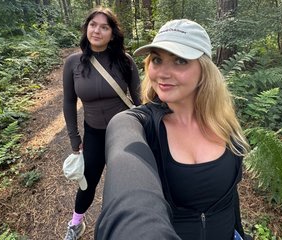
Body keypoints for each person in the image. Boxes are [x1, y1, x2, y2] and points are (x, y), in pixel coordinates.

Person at [94, 19, 251, 240]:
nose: (163, 73)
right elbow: (126, 169)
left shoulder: (225, 123)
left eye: (180, 61)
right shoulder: (137, 124)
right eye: (157, 60)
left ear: (204, 70)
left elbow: (230, 198)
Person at [62, 6, 141, 240]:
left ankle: (130, 226)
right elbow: (68, 102)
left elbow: (139, 100)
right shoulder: (73, 63)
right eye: (93, 25)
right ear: (86, 28)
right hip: (94, 133)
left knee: (127, 182)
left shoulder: (124, 61)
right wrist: (74, 137)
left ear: (112, 33)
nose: (97, 30)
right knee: (88, 182)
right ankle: (76, 223)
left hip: (125, 132)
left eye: (104, 27)